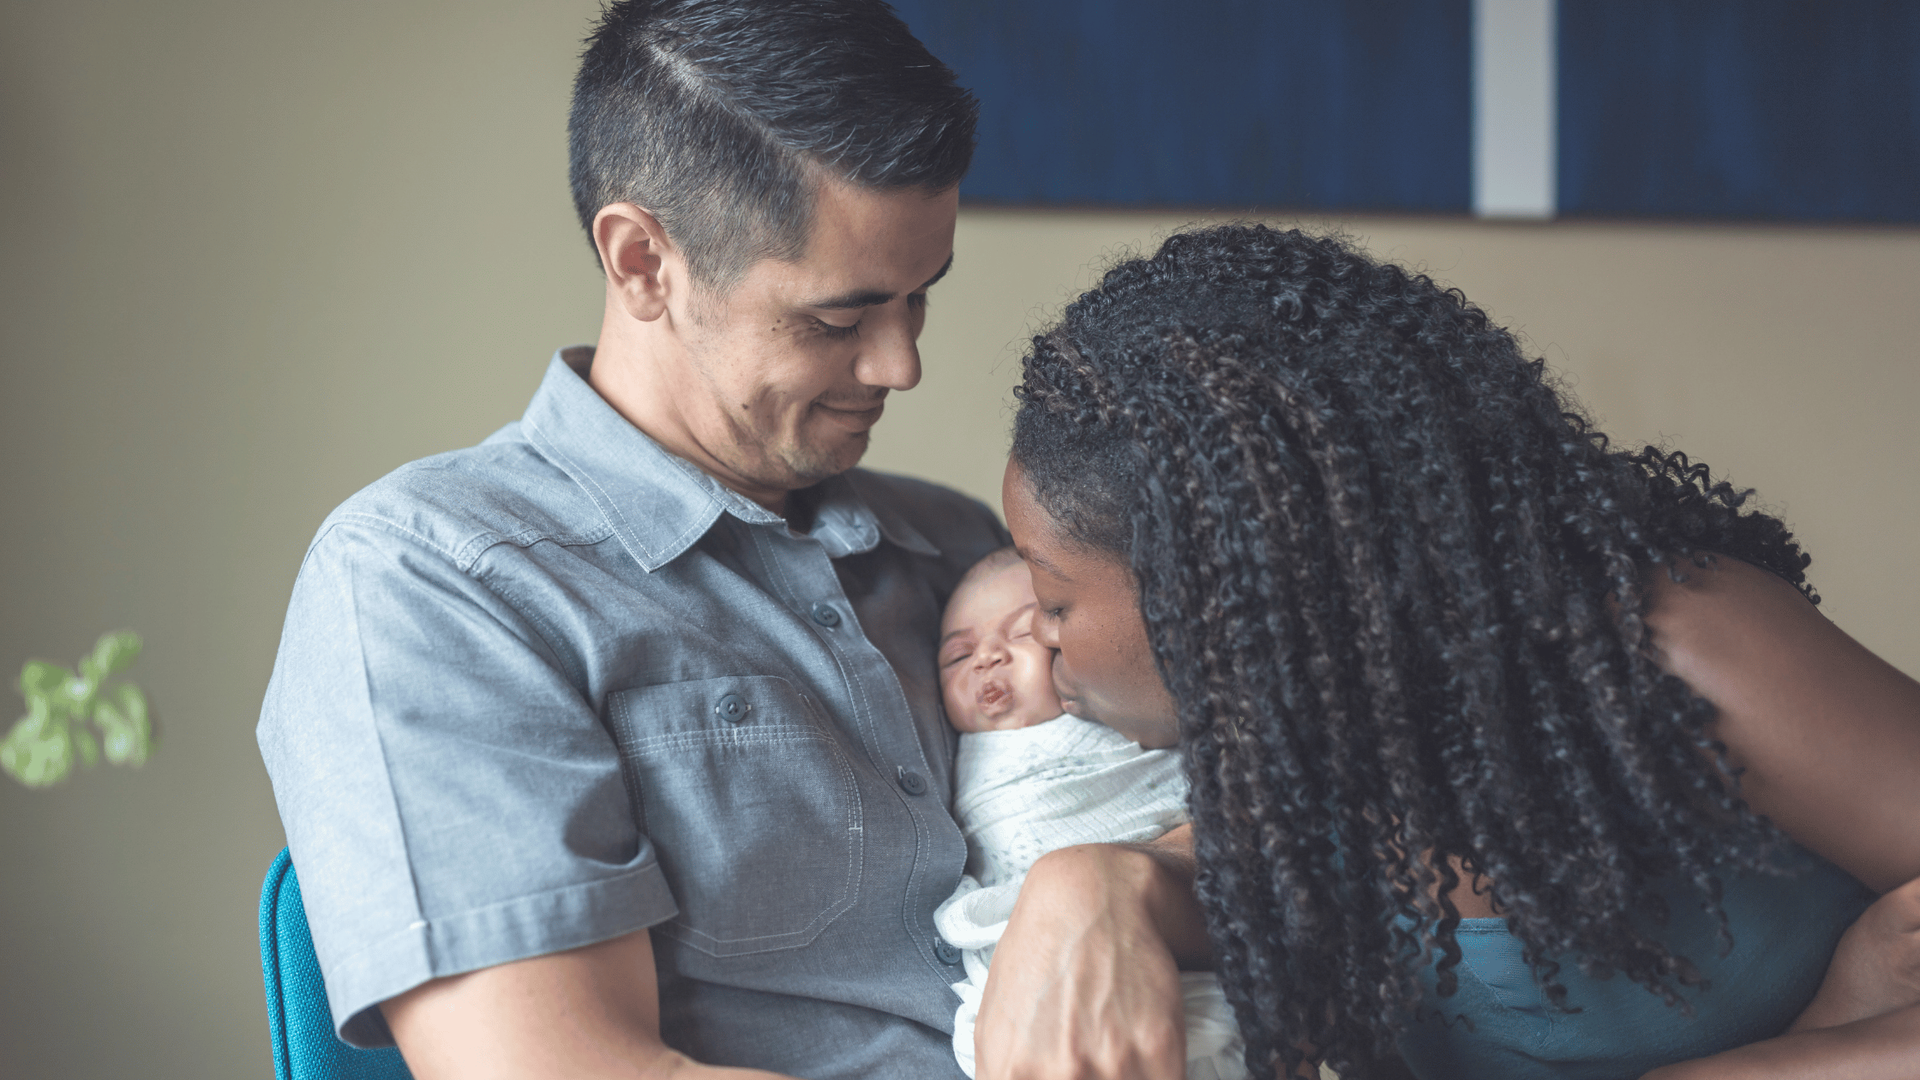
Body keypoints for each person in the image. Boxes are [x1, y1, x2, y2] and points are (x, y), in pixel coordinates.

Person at [256, 3, 1203, 1077]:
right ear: (644, 261)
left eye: (919, 300)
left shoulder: (959, 553)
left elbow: (1265, 809)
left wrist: (1121, 885)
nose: (901, 365)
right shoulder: (430, 583)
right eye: (839, 322)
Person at [1000, 223, 1920, 1080]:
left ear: (1213, 596)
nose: (1035, 636)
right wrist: (1083, 886)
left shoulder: (1677, 646)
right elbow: (1191, 876)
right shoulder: (1307, 789)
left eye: (1052, 598)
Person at [932, 548, 1247, 1079]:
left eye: (1024, 633)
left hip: (1162, 939)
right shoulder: (959, 758)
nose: (986, 657)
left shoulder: (1122, 711)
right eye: (958, 657)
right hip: (1025, 971)